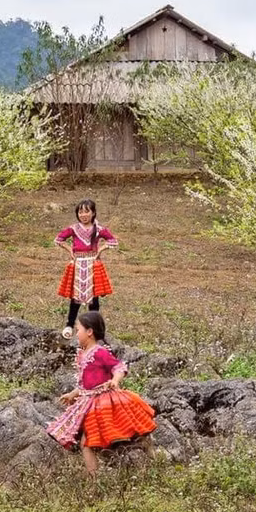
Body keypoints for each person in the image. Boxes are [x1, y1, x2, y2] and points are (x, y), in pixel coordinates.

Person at [45, 311, 156, 477]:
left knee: (125, 433)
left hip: (105, 401)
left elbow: (119, 367)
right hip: (90, 402)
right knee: (88, 442)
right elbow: (86, 384)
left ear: (89, 332)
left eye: (78, 330)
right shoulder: (82, 355)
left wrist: (115, 381)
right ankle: (95, 478)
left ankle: (96, 479)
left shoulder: (99, 352)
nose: (77, 334)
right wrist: (73, 394)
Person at [54, 199, 118, 339]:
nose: (83, 215)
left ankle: (93, 329)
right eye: (80, 212)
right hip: (77, 264)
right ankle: (70, 325)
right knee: (75, 297)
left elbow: (113, 241)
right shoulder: (73, 228)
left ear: (93, 212)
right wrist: (69, 249)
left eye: (87, 211)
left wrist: (100, 250)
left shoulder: (99, 229)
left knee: (93, 298)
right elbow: (59, 239)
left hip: (92, 265)